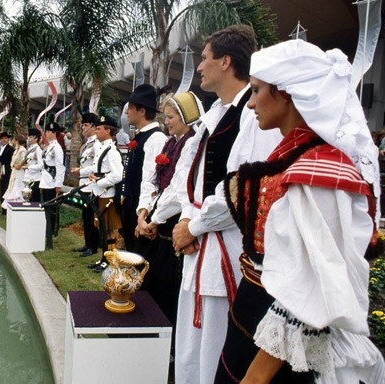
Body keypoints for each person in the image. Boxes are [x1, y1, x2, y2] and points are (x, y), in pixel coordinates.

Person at [214, 39, 385, 384]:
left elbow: (310, 289)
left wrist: (258, 376)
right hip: (252, 317)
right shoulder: (295, 155)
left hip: (280, 349)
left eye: (257, 91)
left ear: (287, 93)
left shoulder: (319, 173)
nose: (249, 104)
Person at [170, 25, 282, 384]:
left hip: (224, 249)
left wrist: (194, 225)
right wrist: (185, 220)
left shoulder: (253, 113)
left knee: (214, 347)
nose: (199, 67)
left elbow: (243, 189)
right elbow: (190, 176)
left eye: (204, 58)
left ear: (226, 61)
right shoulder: (212, 115)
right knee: (189, 345)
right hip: (197, 247)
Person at [138, 91, 202, 329]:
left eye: (171, 117)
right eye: (165, 117)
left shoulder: (192, 144)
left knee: (167, 283)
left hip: (172, 219)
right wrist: (142, 214)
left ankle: (166, 332)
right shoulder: (169, 143)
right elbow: (151, 180)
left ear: (186, 117)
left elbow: (179, 189)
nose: (166, 122)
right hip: (156, 215)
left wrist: (154, 220)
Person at [120, 84, 167, 252]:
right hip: (131, 205)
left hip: (141, 208)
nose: (127, 112)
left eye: (130, 108)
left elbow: (153, 181)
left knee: (141, 257)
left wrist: (143, 215)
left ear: (142, 111)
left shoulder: (155, 138)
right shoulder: (140, 136)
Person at [82, 116, 124, 272]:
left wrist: (99, 182)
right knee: (103, 230)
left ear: (108, 131)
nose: (97, 131)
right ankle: (104, 259)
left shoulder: (112, 151)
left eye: (99, 129)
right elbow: (96, 168)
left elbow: (117, 175)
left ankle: (110, 262)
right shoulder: (102, 148)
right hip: (99, 193)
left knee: (109, 230)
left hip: (107, 194)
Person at [70, 112, 100, 257]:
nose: (83, 128)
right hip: (84, 183)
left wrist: (81, 170)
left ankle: (93, 246)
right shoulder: (87, 143)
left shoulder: (97, 144)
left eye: (86, 125)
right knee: (85, 216)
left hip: (91, 184)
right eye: (83, 125)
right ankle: (87, 243)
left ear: (94, 127)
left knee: (90, 217)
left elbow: (95, 166)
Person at [40, 123, 65, 250]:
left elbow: (60, 167)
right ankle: (47, 232)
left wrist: (58, 185)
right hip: (45, 181)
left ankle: (49, 236)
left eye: (49, 132)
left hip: (51, 182)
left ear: (54, 133)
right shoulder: (48, 147)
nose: (47, 134)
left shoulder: (57, 148)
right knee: (45, 210)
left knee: (50, 211)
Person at [1, 134, 27, 208]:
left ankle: (18, 204)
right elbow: (12, 161)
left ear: (17, 141)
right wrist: (13, 165)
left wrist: (19, 165)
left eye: (14, 140)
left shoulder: (23, 150)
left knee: (17, 186)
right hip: (14, 171)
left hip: (19, 172)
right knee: (12, 185)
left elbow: (24, 159)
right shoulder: (16, 150)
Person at [23, 129, 43, 203]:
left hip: (35, 178)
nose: (28, 138)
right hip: (27, 177)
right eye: (28, 136)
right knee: (27, 199)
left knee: (34, 200)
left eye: (30, 137)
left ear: (36, 138)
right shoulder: (30, 148)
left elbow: (41, 165)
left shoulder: (38, 150)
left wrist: (28, 167)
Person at [0, 131, 15, 215]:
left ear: (8, 139)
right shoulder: (2, 148)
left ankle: (6, 209)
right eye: (2, 138)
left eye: (5, 138)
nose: (3, 140)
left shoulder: (10, 149)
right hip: (2, 170)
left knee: (6, 189)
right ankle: (3, 208)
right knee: (2, 189)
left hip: (8, 170)